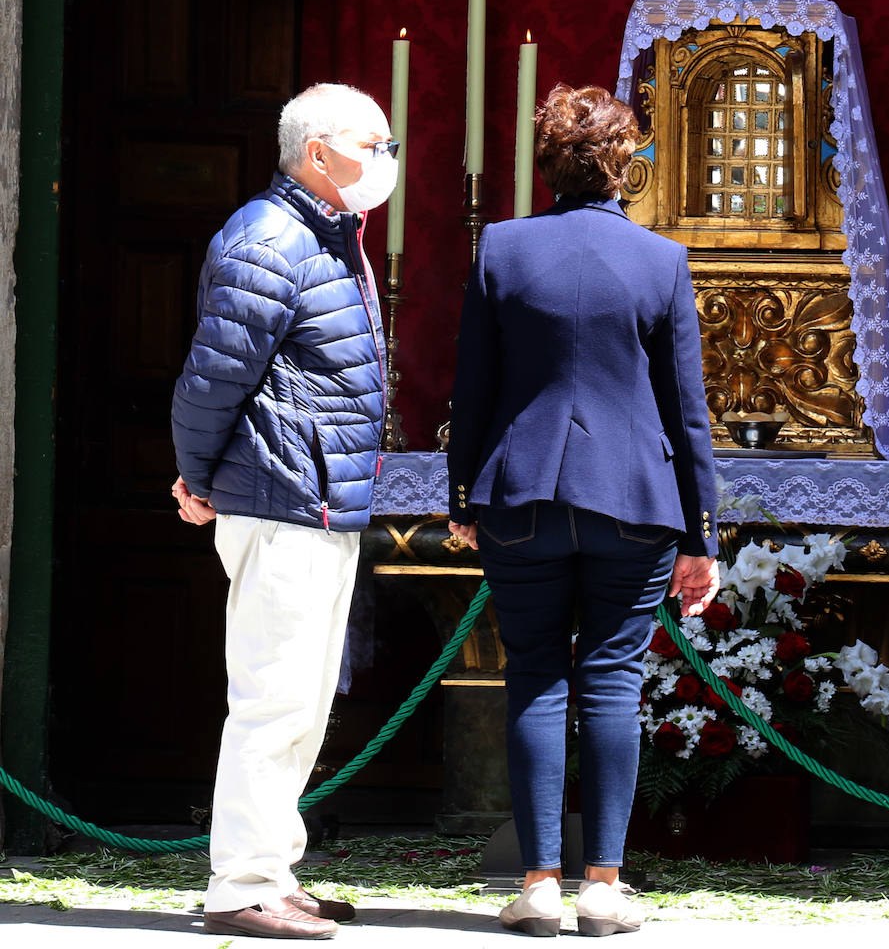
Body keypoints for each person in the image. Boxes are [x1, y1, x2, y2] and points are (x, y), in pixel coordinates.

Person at [447, 83, 721, 937]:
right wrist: (701, 534)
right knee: (611, 681)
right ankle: (602, 886)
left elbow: (472, 388)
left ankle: (537, 885)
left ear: (547, 162)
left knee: (532, 674)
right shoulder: (660, 261)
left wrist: (462, 499)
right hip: (634, 501)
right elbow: (687, 411)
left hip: (521, 494)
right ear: (624, 164)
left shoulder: (501, 248)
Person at [171, 82, 398, 940]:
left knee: (301, 701)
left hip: (316, 500)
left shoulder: (325, 235)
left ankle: (274, 866)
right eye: (373, 145)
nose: (387, 161)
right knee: (272, 696)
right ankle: (240, 886)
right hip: (281, 495)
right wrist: (197, 477)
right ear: (317, 154)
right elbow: (213, 375)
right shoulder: (270, 238)